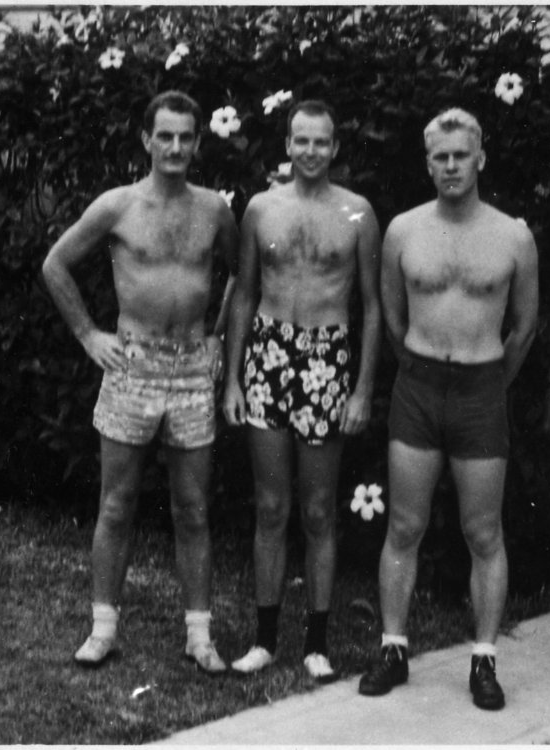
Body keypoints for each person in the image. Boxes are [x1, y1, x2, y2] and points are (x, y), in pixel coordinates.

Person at [41, 90, 238, 673]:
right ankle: (103, 628)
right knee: (118, 502)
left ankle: (199, 637)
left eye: (186, 137)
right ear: (146, 140)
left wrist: (219, 337)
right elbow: (55, 264)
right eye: (165, 136)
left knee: (193, 508)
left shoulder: (214, 211)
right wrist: (87, 334)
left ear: (198, 143)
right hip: (132, 366)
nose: (175, 147)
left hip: (191, 372)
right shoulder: (118, 206)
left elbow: (240, 275)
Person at [358, 108, 538, 709]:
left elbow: (524, 326)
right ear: (427, 161)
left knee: (483, 531)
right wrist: (421, 368)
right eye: (440, 156)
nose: (452, 165)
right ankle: (393, 647)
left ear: (481, 157)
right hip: (418, 386)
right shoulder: (404, 231)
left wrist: (491, 385)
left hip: (482, 391)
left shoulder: (513, 236)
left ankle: (484, 661)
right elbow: (391, 314)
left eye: (462, 154)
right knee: (404, 525)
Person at [223, 100, 382, 683]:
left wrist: (362, 389)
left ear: (335, 148)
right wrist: (234, 377)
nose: (311, 151)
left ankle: (316, 642)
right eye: (301, 141)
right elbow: (242, 292)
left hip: (326, 358)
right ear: (287, 145)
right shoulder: (261, 208)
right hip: (267, 353)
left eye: (322, 142)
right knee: (270, 506)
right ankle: (264, 639)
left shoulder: (358, 213)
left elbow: (373, 306)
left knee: (318, 509)